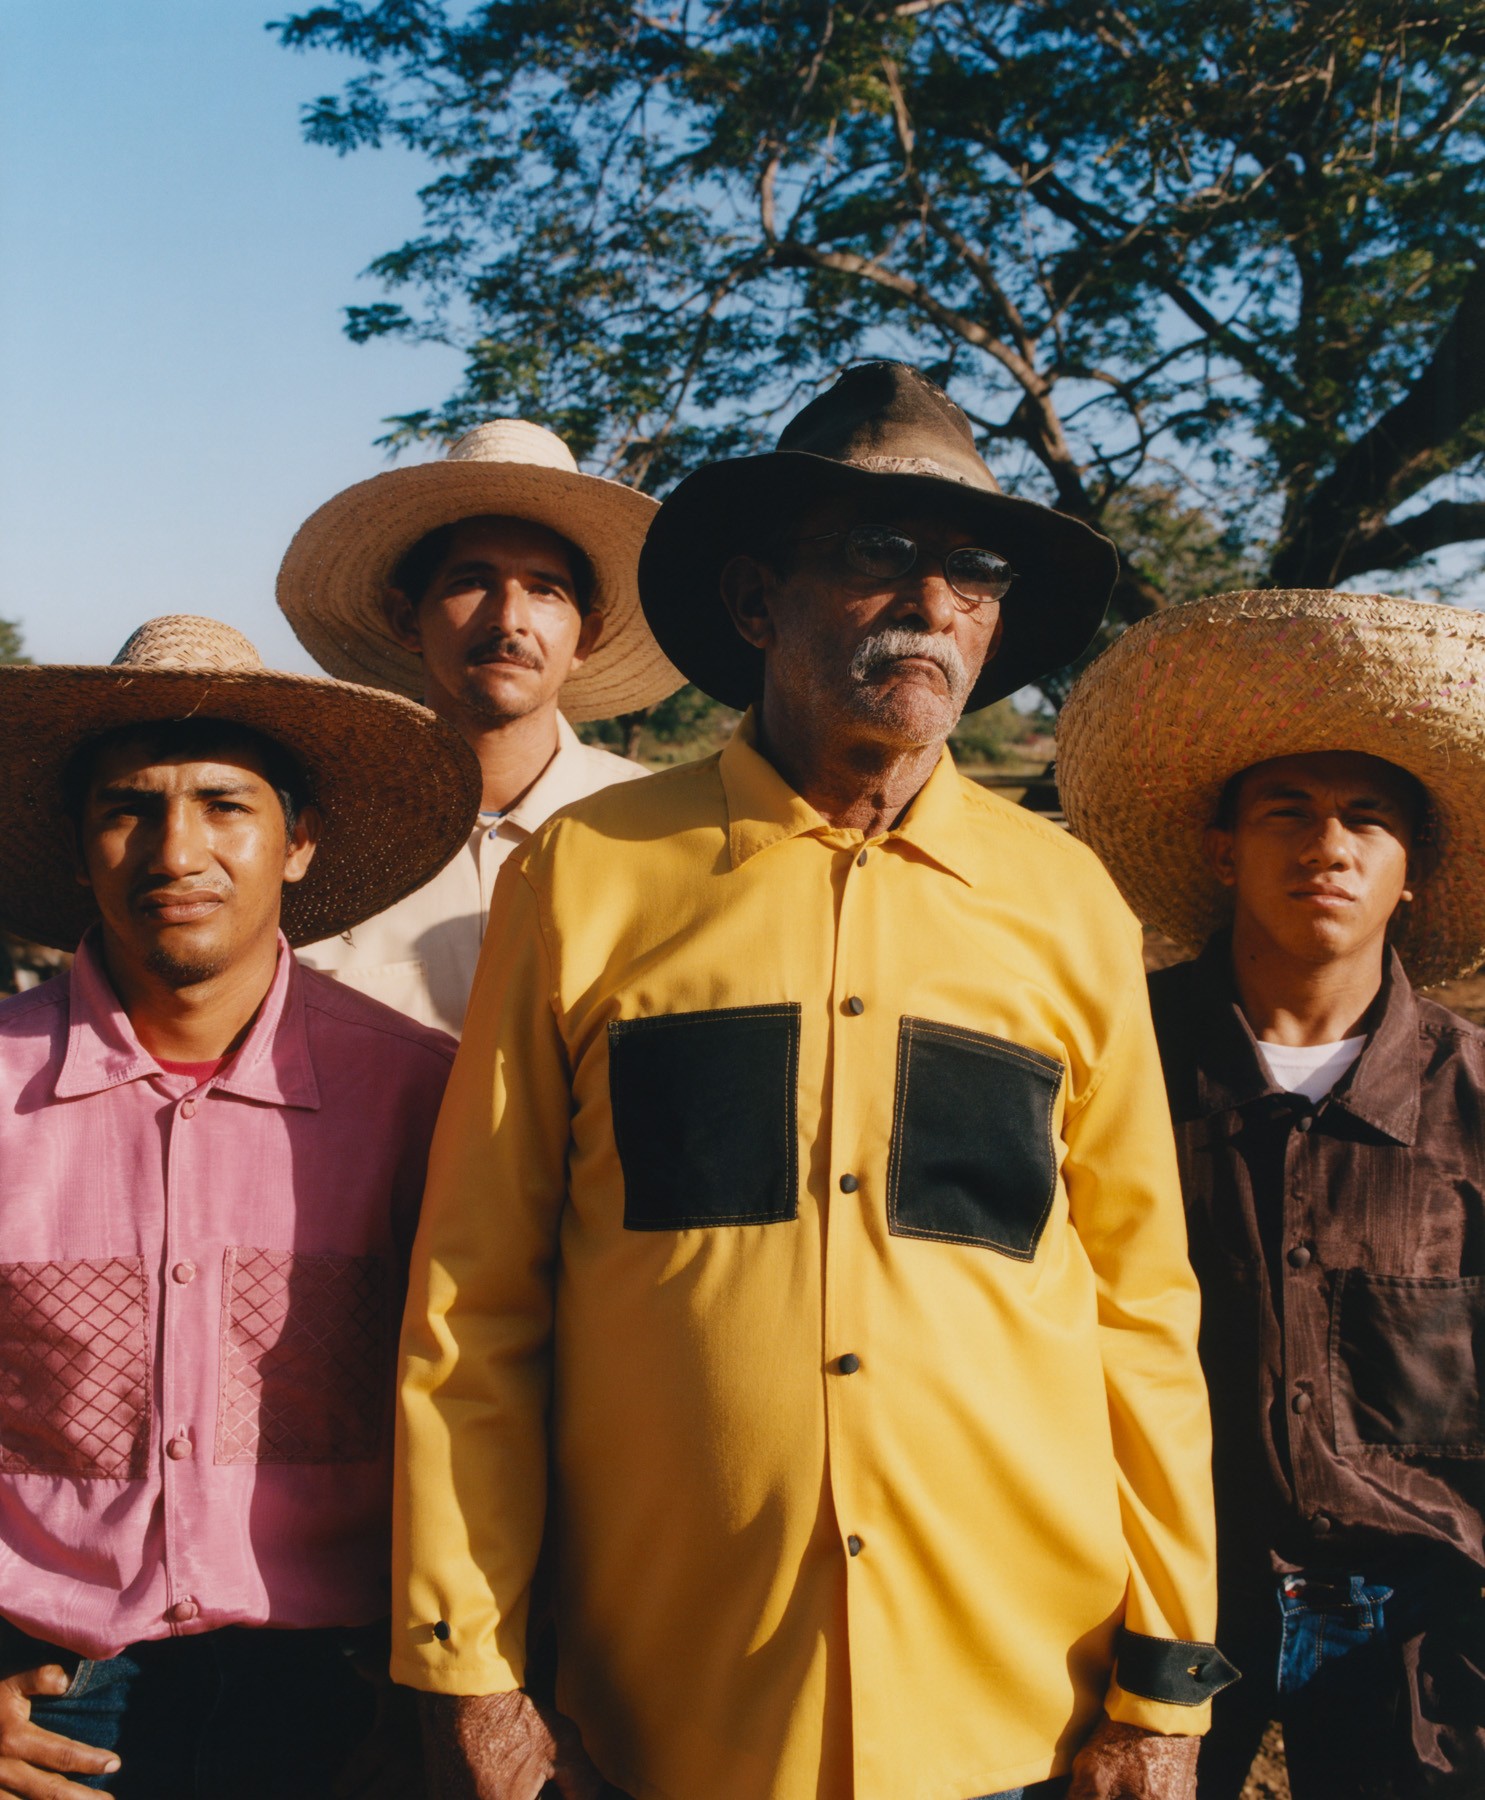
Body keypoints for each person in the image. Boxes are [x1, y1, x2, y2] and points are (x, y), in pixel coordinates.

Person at [394, 362, 1235, 1800]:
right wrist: (467, 1660)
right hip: (668, 1706)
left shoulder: (1068, 903)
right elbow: (478, 1296)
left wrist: (1163, 1682)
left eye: (973, 571)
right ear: (751, 600)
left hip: (1016, 1699)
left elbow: (1139, 1304)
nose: (932, 602)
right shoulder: (589, 879)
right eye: (876, 556)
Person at [0, 614, 481, 1799]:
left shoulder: (420, 1093)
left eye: (225, 804)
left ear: (299, 841)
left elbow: (491, 1396)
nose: (177, 850)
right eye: (128, 808)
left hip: (348, 1689)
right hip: (49, 1693)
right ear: (77, 845)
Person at [1056, 590, 1485, 1799]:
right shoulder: (1113, 1061)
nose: (1328, 846)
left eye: (1368, 820)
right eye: (1286, 811)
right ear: (1222, 847)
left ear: (1413, 872)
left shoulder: (1474, 1097)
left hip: (1424, 1628)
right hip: (1149, 1602)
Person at [279, 419, 682, 1034]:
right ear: (405, 619)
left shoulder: (661, 834)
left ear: (586, 638)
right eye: (471, 582)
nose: (509, 619)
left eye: (545, 590)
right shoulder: (325, 844)